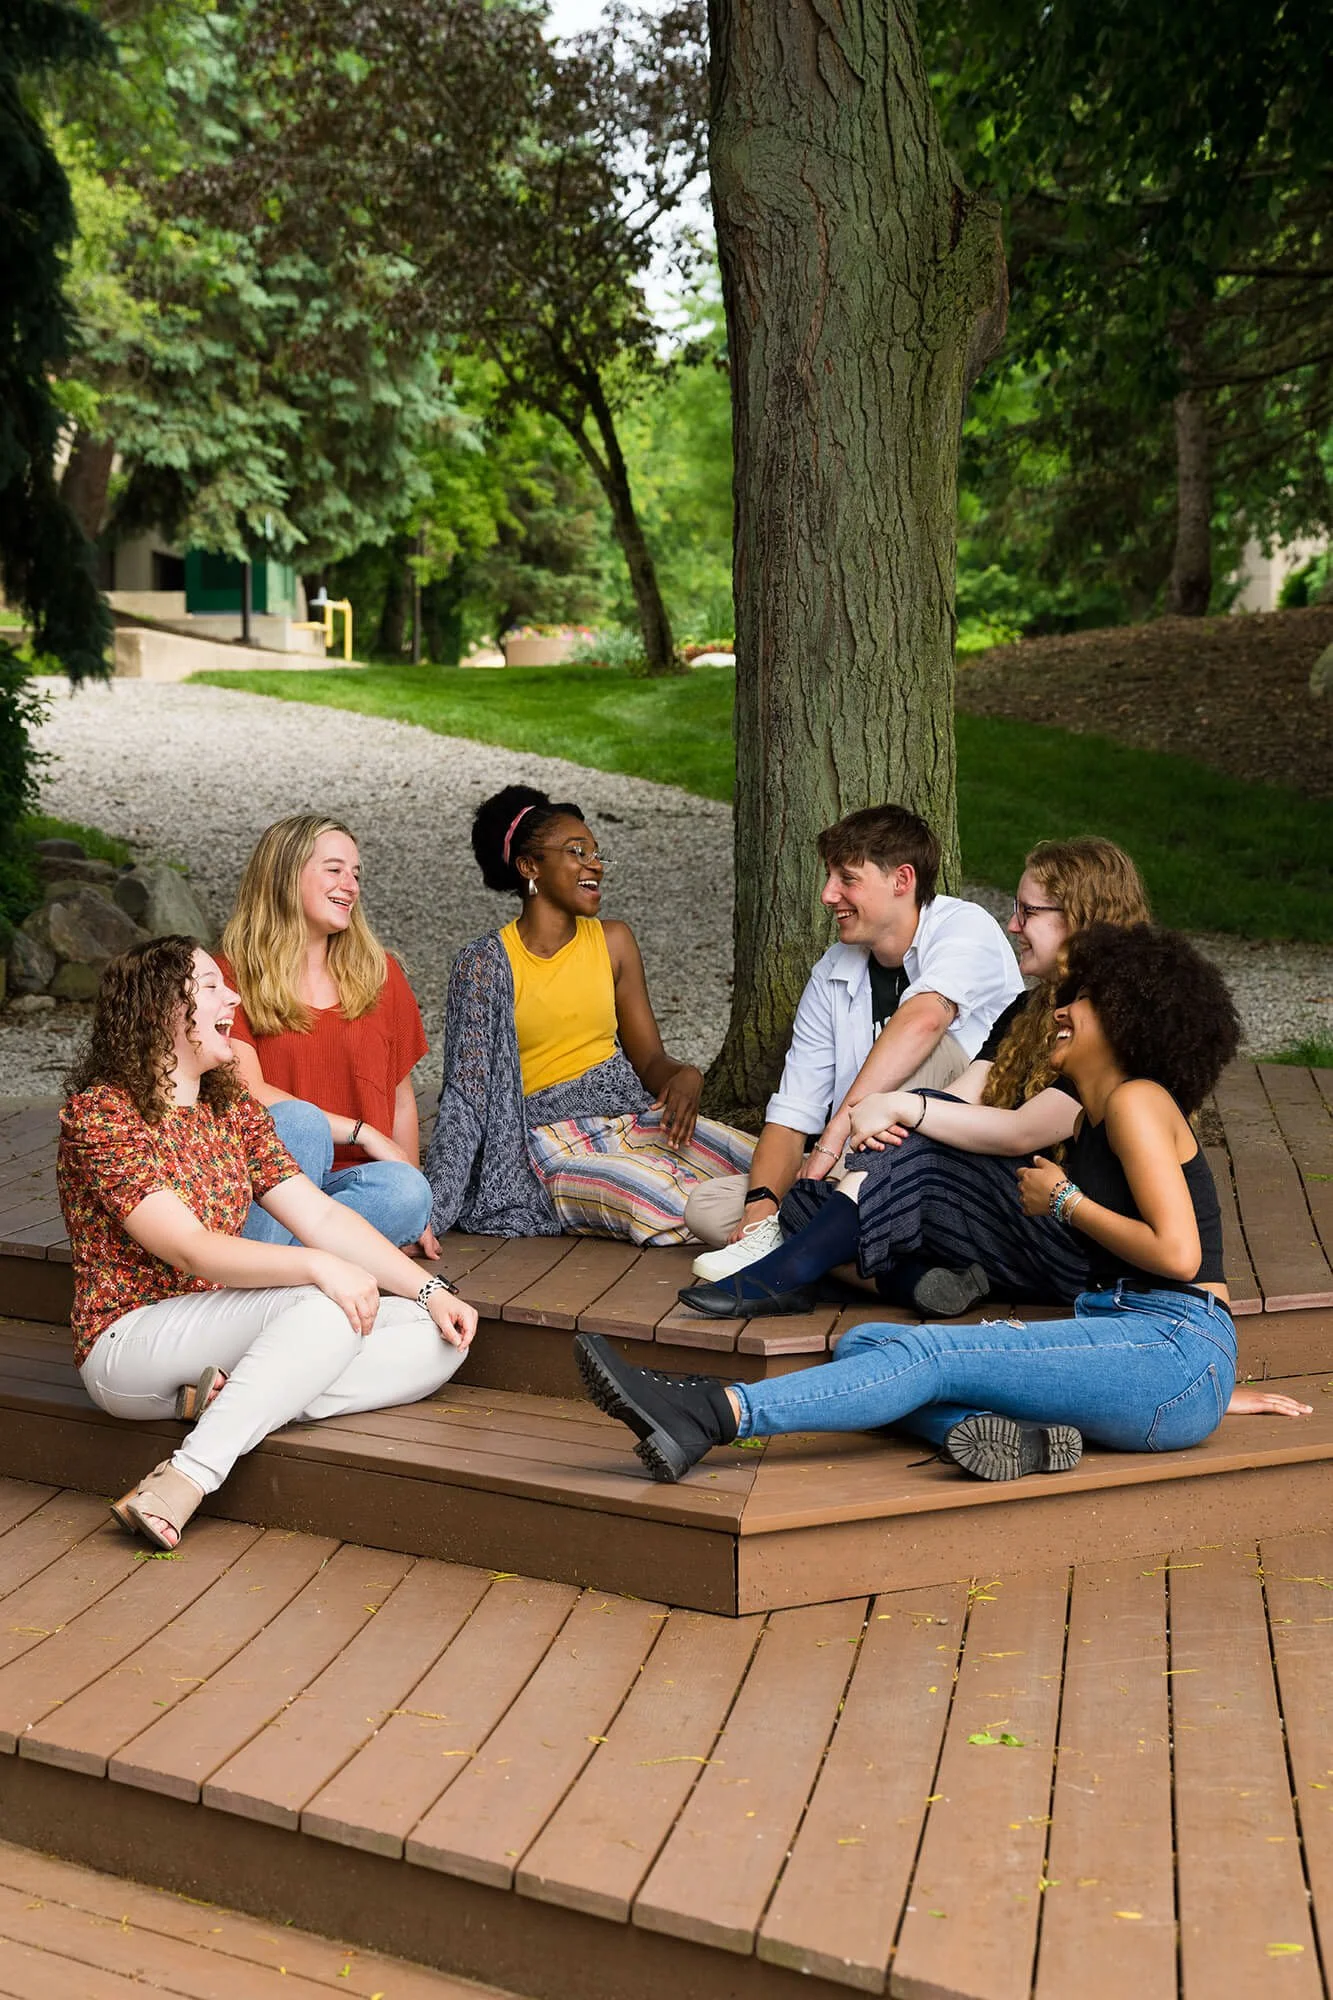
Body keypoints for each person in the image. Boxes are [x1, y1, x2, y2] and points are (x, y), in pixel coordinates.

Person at [576, 923, 1300, 1486]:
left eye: (1073, 1000)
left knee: (923, 1351)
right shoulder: (1089, 1119)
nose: (1056, 1012)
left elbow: (1179, 1257)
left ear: (1118, 1015)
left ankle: (711, 1412)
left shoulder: (1139, 1103)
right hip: (1149, 1351)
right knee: (867, 1346)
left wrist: (1065, 1202)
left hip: (1172, 1346)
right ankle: (1006, 1436)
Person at [58, 936, 477, 1551]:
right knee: (323, 1302)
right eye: (209, 987)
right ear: (160, 1012)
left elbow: (322, 1217)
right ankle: (185, 1478)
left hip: (222, 1327)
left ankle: (232, 1396)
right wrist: (317, 1267)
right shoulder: (102, 1115)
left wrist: (430, 1289)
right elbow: (191, 1251)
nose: (232, 995)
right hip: (130, 1340)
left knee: (436, 1337)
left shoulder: (231, 1110)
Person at [680, 836, 1150, 1320]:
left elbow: (1021, 1132)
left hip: (1077, 1244)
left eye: (1027, 912)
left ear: (1080, 919)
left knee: (891, 1158)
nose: (1012, 924)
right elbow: (967, 1093)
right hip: (1004, 1221)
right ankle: (899, 1278)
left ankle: (788, 1273)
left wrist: (906, 1110)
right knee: (807, 1197)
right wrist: (897, 1128)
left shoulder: (1114, 1023)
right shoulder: (1029, 1009)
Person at [683, 802, 1024, 1264]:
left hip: (951, 1164)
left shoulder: (965, 927)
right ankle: (890, 1264)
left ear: (902, 881)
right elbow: (792, 1113)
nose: (828, 895)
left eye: (847, 879)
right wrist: (762, 1207)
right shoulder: (832, 971)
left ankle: (818, 1233)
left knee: (932, 1052)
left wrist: (831, 1141)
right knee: (709, 1209)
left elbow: (925, 1020)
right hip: (853, 1162)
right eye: (830, 878)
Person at [424, 784, 755, 1243]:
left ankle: (789, 1218)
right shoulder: (484, 964)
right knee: (655, 1200)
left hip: (630, 1118)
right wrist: (432, 1208)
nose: (594, 864)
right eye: (576, 852)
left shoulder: (613, 942)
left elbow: (650, 1062)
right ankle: (767, 1234)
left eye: (597, 853)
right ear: (529, 867)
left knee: (765, 1165)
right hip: (546, 1144)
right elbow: (466, 1095)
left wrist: (684, 1075)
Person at [218, 814, 436, 1256]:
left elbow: (401, 1099)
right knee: (298, 1123)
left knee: (406, 1192)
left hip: (353, 1186)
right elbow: (249, 1093)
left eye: (356, 874)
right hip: (267, 1182)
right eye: (334, 870)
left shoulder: (382, 974)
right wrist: (362, 1133)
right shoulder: (230, 975)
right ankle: (330, 1257)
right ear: (284, 876)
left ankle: (274, 1264)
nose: (351, 886)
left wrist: (421, 1212)